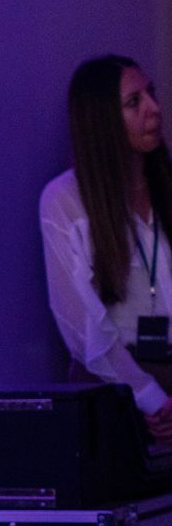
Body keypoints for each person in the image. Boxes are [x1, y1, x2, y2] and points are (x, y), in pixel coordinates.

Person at [41, 55, 170, 435]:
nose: (154, 109)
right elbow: (82, 326)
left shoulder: (166, 185)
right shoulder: (64, 199)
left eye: (152, 93)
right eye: (134, 102)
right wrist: (151, 398)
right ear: (102, 121)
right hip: (111, 389)